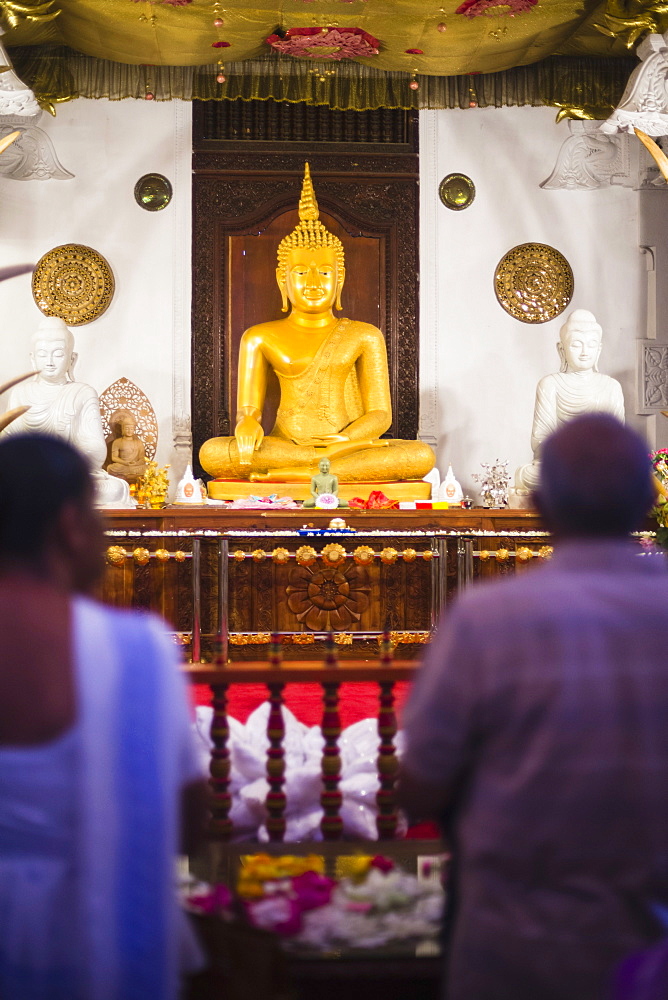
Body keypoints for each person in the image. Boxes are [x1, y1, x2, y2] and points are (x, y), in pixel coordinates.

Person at [399, 413, 668, 1000]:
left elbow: (420, 785)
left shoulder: (487, 619)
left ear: (539, 505)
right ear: (651, 501)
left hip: (511, 941)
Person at [0, 433, 207, 999]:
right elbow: (189, 824)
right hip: (99, 937)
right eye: (97, 512)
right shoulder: (135, 649)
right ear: (71, 524)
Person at [199, 162, 434, 486]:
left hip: (347, 447)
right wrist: (247, 423)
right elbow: (249, 408)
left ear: (340, 281)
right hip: (286, 446)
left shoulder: (364, 335)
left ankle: (298, 474)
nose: (313, 282)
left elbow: (381, 415)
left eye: (324, 273)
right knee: (212, 453)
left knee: (420, 456)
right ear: (283, 281)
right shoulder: (259, 337)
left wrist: (346, 440)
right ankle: (311, 467)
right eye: (300, 273)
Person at [4, 316, 134, 507]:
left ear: (72, 359)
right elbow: (9, 444)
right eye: (42, 354)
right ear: (32, 359)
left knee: (114, 490)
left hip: (67, 476)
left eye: (58, 354)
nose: (49, 361)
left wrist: (59, 463)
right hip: (30, 476)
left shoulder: (82, 393)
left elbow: (96, 450)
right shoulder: (20, 393)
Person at [516, 309, 625, 492]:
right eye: (576, 345)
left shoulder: (611, 386)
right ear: (562, 349)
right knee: (527, 474)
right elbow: (540, 441)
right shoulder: (550, 384)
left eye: (591, 345)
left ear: (599, 349)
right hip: (561, 466)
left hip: (599, 467)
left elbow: (620, 442)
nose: (584, 352)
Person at [107, 409, 147, 482]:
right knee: (110, 468)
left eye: (131, 429)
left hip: (135, 466)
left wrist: (136, 464)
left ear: (134, 429)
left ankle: (130, 472)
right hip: (123, 465)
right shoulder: (117, 442)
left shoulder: (138, 442)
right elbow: (114, 457)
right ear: (122, 429)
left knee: (148, 468)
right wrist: (126, 463)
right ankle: (131, 473)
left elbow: (142, 459)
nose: (129, 431)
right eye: (127, 428)